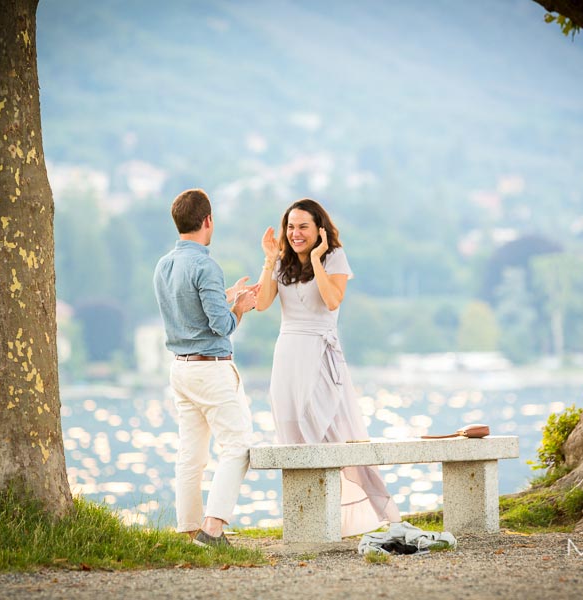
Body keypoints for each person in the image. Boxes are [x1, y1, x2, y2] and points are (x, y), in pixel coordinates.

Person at [255, 198, 400, 536]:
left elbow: (333, 299)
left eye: (303, 226)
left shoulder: (334, 257)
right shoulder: (282, 262)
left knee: (331, 432)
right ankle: (306, 520)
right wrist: (269, 260)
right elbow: (262, 304)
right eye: (290, 227)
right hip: (287, 355)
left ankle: (355, 517)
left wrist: (317, 259)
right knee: (291, 431)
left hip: (320, 353)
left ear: (319, 229)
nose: (295, 233)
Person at [153, 188, 259, 548]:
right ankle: (212, 531)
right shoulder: (205, 265)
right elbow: (222, 327)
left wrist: (226, 294)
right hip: (210, 370)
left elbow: (188, 309)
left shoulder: (164, 265)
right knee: (238, 446)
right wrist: (241, 306)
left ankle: (188, 530)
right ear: (208, 220)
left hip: (180, 370)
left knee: (191, 453)